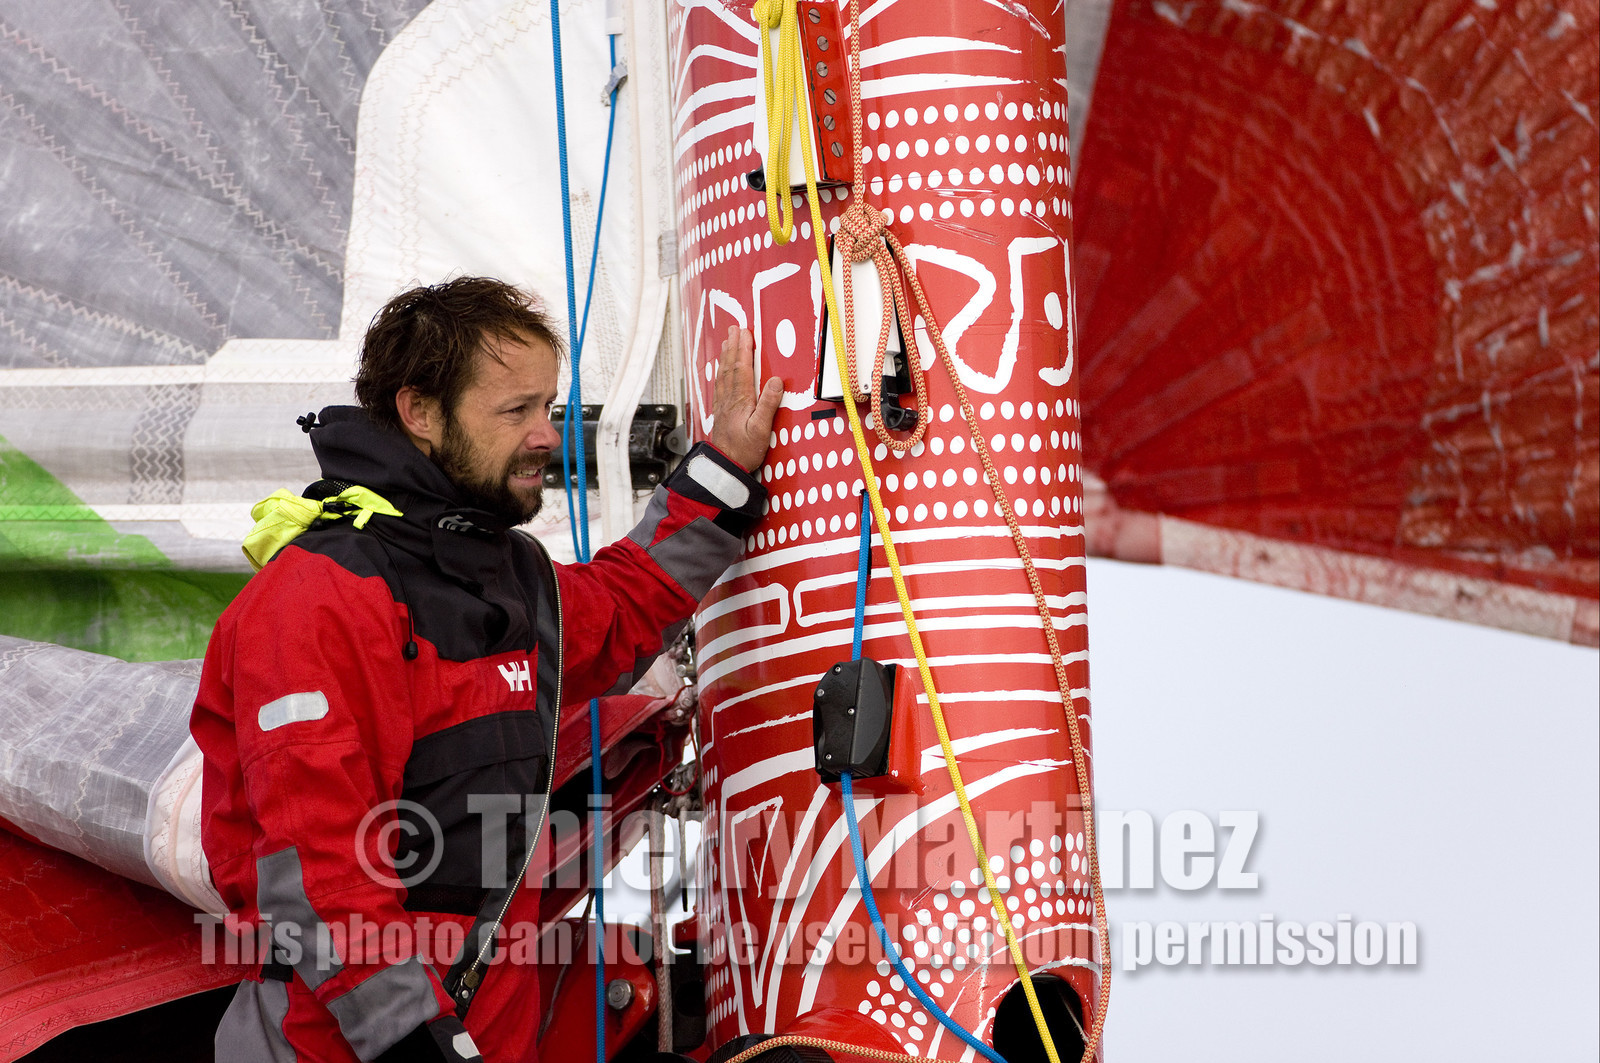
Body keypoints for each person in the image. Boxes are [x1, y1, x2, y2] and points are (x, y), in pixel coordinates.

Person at [191, 277, 781, 1063]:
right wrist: (412, 1039)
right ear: (420, 412)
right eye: (516, 412)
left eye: (549, 405)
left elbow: (624, 606)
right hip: (346, 1044)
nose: (547, 434)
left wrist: (722, 475)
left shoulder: (511, 576)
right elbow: (315, 870)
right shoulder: (317, 597)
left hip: (485, 1030)